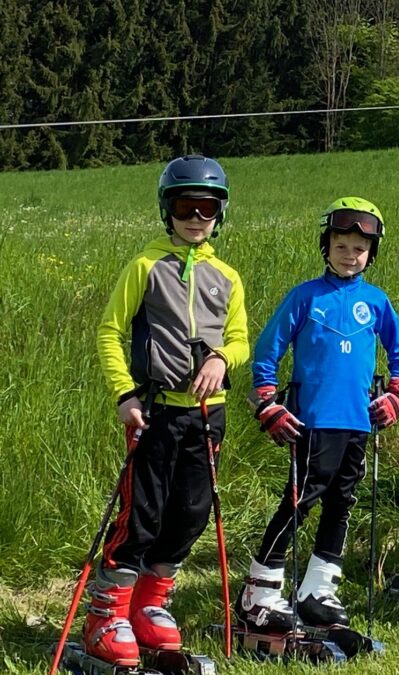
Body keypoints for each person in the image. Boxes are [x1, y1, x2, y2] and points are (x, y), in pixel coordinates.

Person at [88, 155, 249, 665]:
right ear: (168, 209)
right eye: (185, 206)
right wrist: (124, 394)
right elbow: (110, 333)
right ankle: (106, 613)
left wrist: (223, 359)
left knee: (190, 514)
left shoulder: (227, 276)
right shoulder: (144, 266)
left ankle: (150, 607)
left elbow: (241, 338)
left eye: (207, 207)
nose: (196, 217)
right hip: (155, 412)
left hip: (206, 415)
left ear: (220, 214)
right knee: (144, 514)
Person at [235, 197, 399, 631]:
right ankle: (259, 590)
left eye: (359, 248)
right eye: (340, 246)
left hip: (358, 421)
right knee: (299, 502)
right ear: (326, 246)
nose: (349, 255)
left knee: (343, 502)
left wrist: (397, 394)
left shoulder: (375, 301)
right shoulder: (305, 296)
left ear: (371, 253)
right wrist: (267, 402)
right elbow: (266, 352)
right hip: (312, 421)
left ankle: (317, 588)